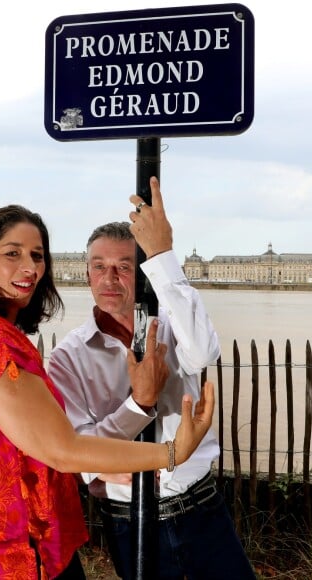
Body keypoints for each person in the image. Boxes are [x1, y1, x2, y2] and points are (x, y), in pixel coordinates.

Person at [0, 203, 215, 580]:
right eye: (12, 253)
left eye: (37, 256)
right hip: (10, 552)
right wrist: (170, 451)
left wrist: (162, 254)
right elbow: (66, 451)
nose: (29, 267)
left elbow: (204, 351)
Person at [48, 177, 256, 580]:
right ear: (87, 274)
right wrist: (137, 405)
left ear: (141, 273)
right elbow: (79, 455)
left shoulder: (175, 324)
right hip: (130, 520)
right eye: (99, 267)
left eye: (124, 267)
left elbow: (203, 352)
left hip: (201, 508)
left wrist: (162, 253)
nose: (110, 279)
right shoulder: (67, 358)